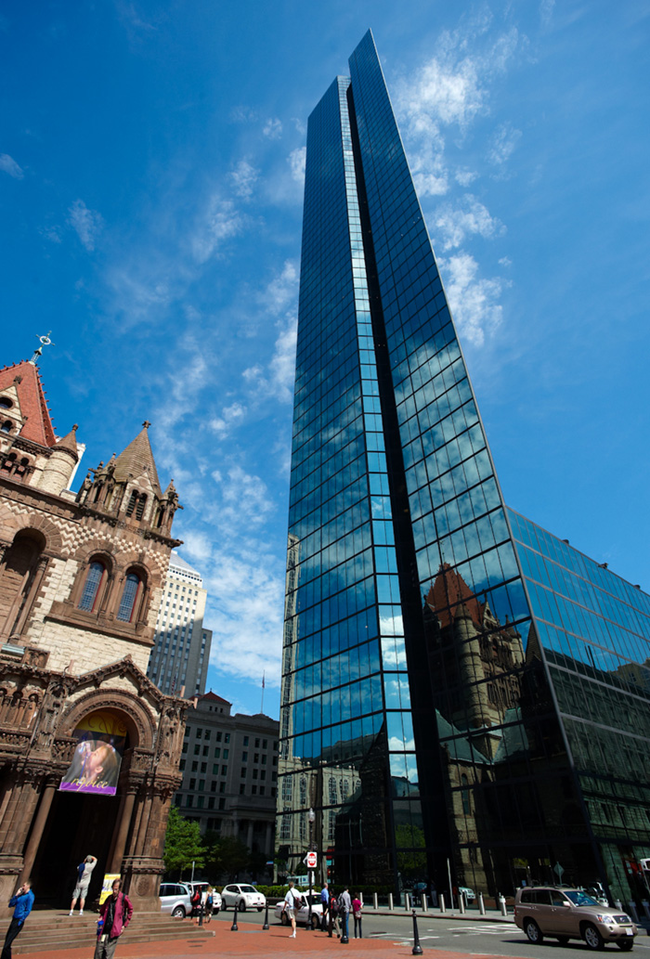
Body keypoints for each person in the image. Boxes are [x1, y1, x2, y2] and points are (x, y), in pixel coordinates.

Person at [95, 878, 132, 959]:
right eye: (113, 889)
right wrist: (100, 918)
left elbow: (130, 910)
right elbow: (102, 912)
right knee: (98, 953)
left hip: (114, 931)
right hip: (103, 930)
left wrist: (124, 925)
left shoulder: (123, 898)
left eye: (116, 889)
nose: (114, 891)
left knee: (108, 955)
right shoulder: (108, 898)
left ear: (119, 889)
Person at [2, 880, 34, 959]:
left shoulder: (30, 896)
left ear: (28, 886)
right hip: (14, 918)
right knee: (7, 942)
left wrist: (21, 920)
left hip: (18, 920)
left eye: (24, 885)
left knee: (7, 944)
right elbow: (11, 904)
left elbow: (28, 910)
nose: (22, 887)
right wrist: (16, 895)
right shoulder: (21, 895)